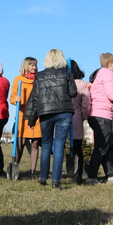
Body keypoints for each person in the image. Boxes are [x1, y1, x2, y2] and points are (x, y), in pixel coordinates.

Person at [25, 49, 77, 188]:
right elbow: (73, 92)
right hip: (64, 112)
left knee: (46, 145)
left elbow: (35, 98)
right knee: (59, 146)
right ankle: (56, 181)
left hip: (46, 113)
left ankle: (43, 178)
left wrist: (31, 119)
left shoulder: (40, 76)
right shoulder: (67, 73)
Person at [86, 53, 113, 185]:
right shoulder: (108, 75)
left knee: (105, 145)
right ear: (110, 63)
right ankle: (91, 177)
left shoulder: (101, 75)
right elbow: (112, 95)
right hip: (102, 115)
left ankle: (111, 176)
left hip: (99, 114)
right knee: (102, 147)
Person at [10, 57, 42, 177]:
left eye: (35, 65)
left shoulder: (39, 79)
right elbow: (12, 98)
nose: (34, 67)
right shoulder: (18, 79)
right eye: (31, 65)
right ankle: (15, 167)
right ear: (25, 66)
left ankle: (33, 171)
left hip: (37, 115)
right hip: (23, 115)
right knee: (20, 143)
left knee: (35, 143)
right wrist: (16, 99)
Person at [65, 60, 90, 185]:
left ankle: (58, 174)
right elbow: (85, 104)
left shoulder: (62, 83)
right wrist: (83, 116)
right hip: (76, 117)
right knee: (78, 147)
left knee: (59, 145)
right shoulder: (82, 84)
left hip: (62, 117)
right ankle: (78, 175)